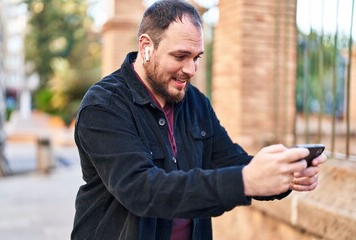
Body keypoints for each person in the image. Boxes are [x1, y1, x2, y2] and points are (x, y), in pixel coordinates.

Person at [71, 0, 327, 239]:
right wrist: (246, 181)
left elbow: (231, 161)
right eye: (180, 56)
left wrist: (285, 174)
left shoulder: (195, 101)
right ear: (146, 46)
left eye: (196, 58)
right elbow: (140, 189)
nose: (191, 70)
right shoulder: (103, 106)